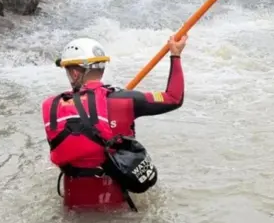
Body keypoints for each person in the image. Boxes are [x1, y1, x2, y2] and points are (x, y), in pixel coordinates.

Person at [41, 35, 187, 212]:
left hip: (74, 206)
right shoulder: (127, 100)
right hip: (117, 201)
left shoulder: (56, 106)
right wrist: (175, 54)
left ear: (74, 73)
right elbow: (174, 97)